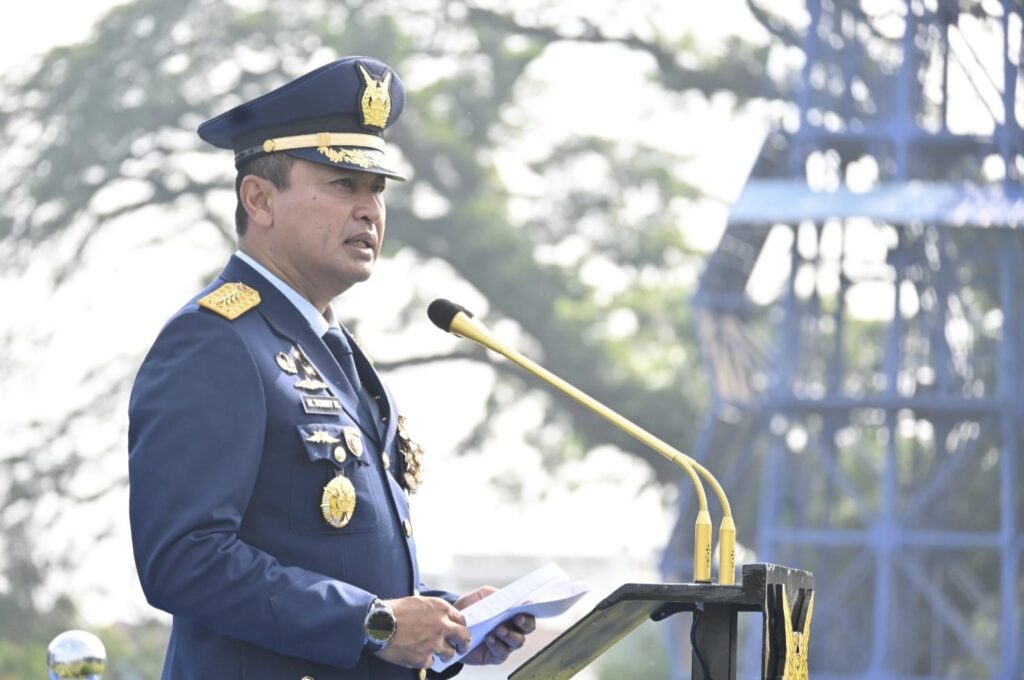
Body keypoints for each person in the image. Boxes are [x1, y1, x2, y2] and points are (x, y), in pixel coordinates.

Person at [128, 55, 535, 680]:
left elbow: (340, 566)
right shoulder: (215, 342)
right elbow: (183, 560)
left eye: (377, 189)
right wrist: (378, 623)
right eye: (344, 185)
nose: (370, 209)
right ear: (259, 199)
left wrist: (444, 622)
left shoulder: (333, 351)